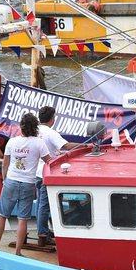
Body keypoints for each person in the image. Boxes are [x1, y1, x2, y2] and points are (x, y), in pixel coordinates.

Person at [0, 113, 51, 256]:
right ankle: (18, 252)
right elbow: (50, 161)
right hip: (28, 184)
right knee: (23, 219)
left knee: (2, 215)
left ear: (21, 127)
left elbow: (4, 164)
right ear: (35, 127)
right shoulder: (39, 143)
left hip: (11, 181)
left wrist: (4, 179)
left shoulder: (12, 142)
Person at [33, 106, 80, 248]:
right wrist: (85, 145)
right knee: (44, 205)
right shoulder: (50, 133)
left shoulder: (35, 130)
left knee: (40, 203)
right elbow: (66, 146)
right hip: (46, 172)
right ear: (52, 119)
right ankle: (43, 234)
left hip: (36, 171)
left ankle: (42, 230)